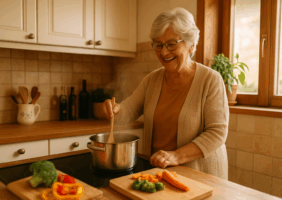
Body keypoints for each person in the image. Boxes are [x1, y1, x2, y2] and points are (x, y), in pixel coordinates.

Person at [96, 7, 229, 179]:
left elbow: (217, 133)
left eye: (171, 44)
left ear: (191, 45)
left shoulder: (210, 80)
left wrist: (176, 156)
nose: (164, 52)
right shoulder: (152, 80)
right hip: (160, 173)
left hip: (201, 176)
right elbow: (128, 111)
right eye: (158, 45)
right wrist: (114, 109)